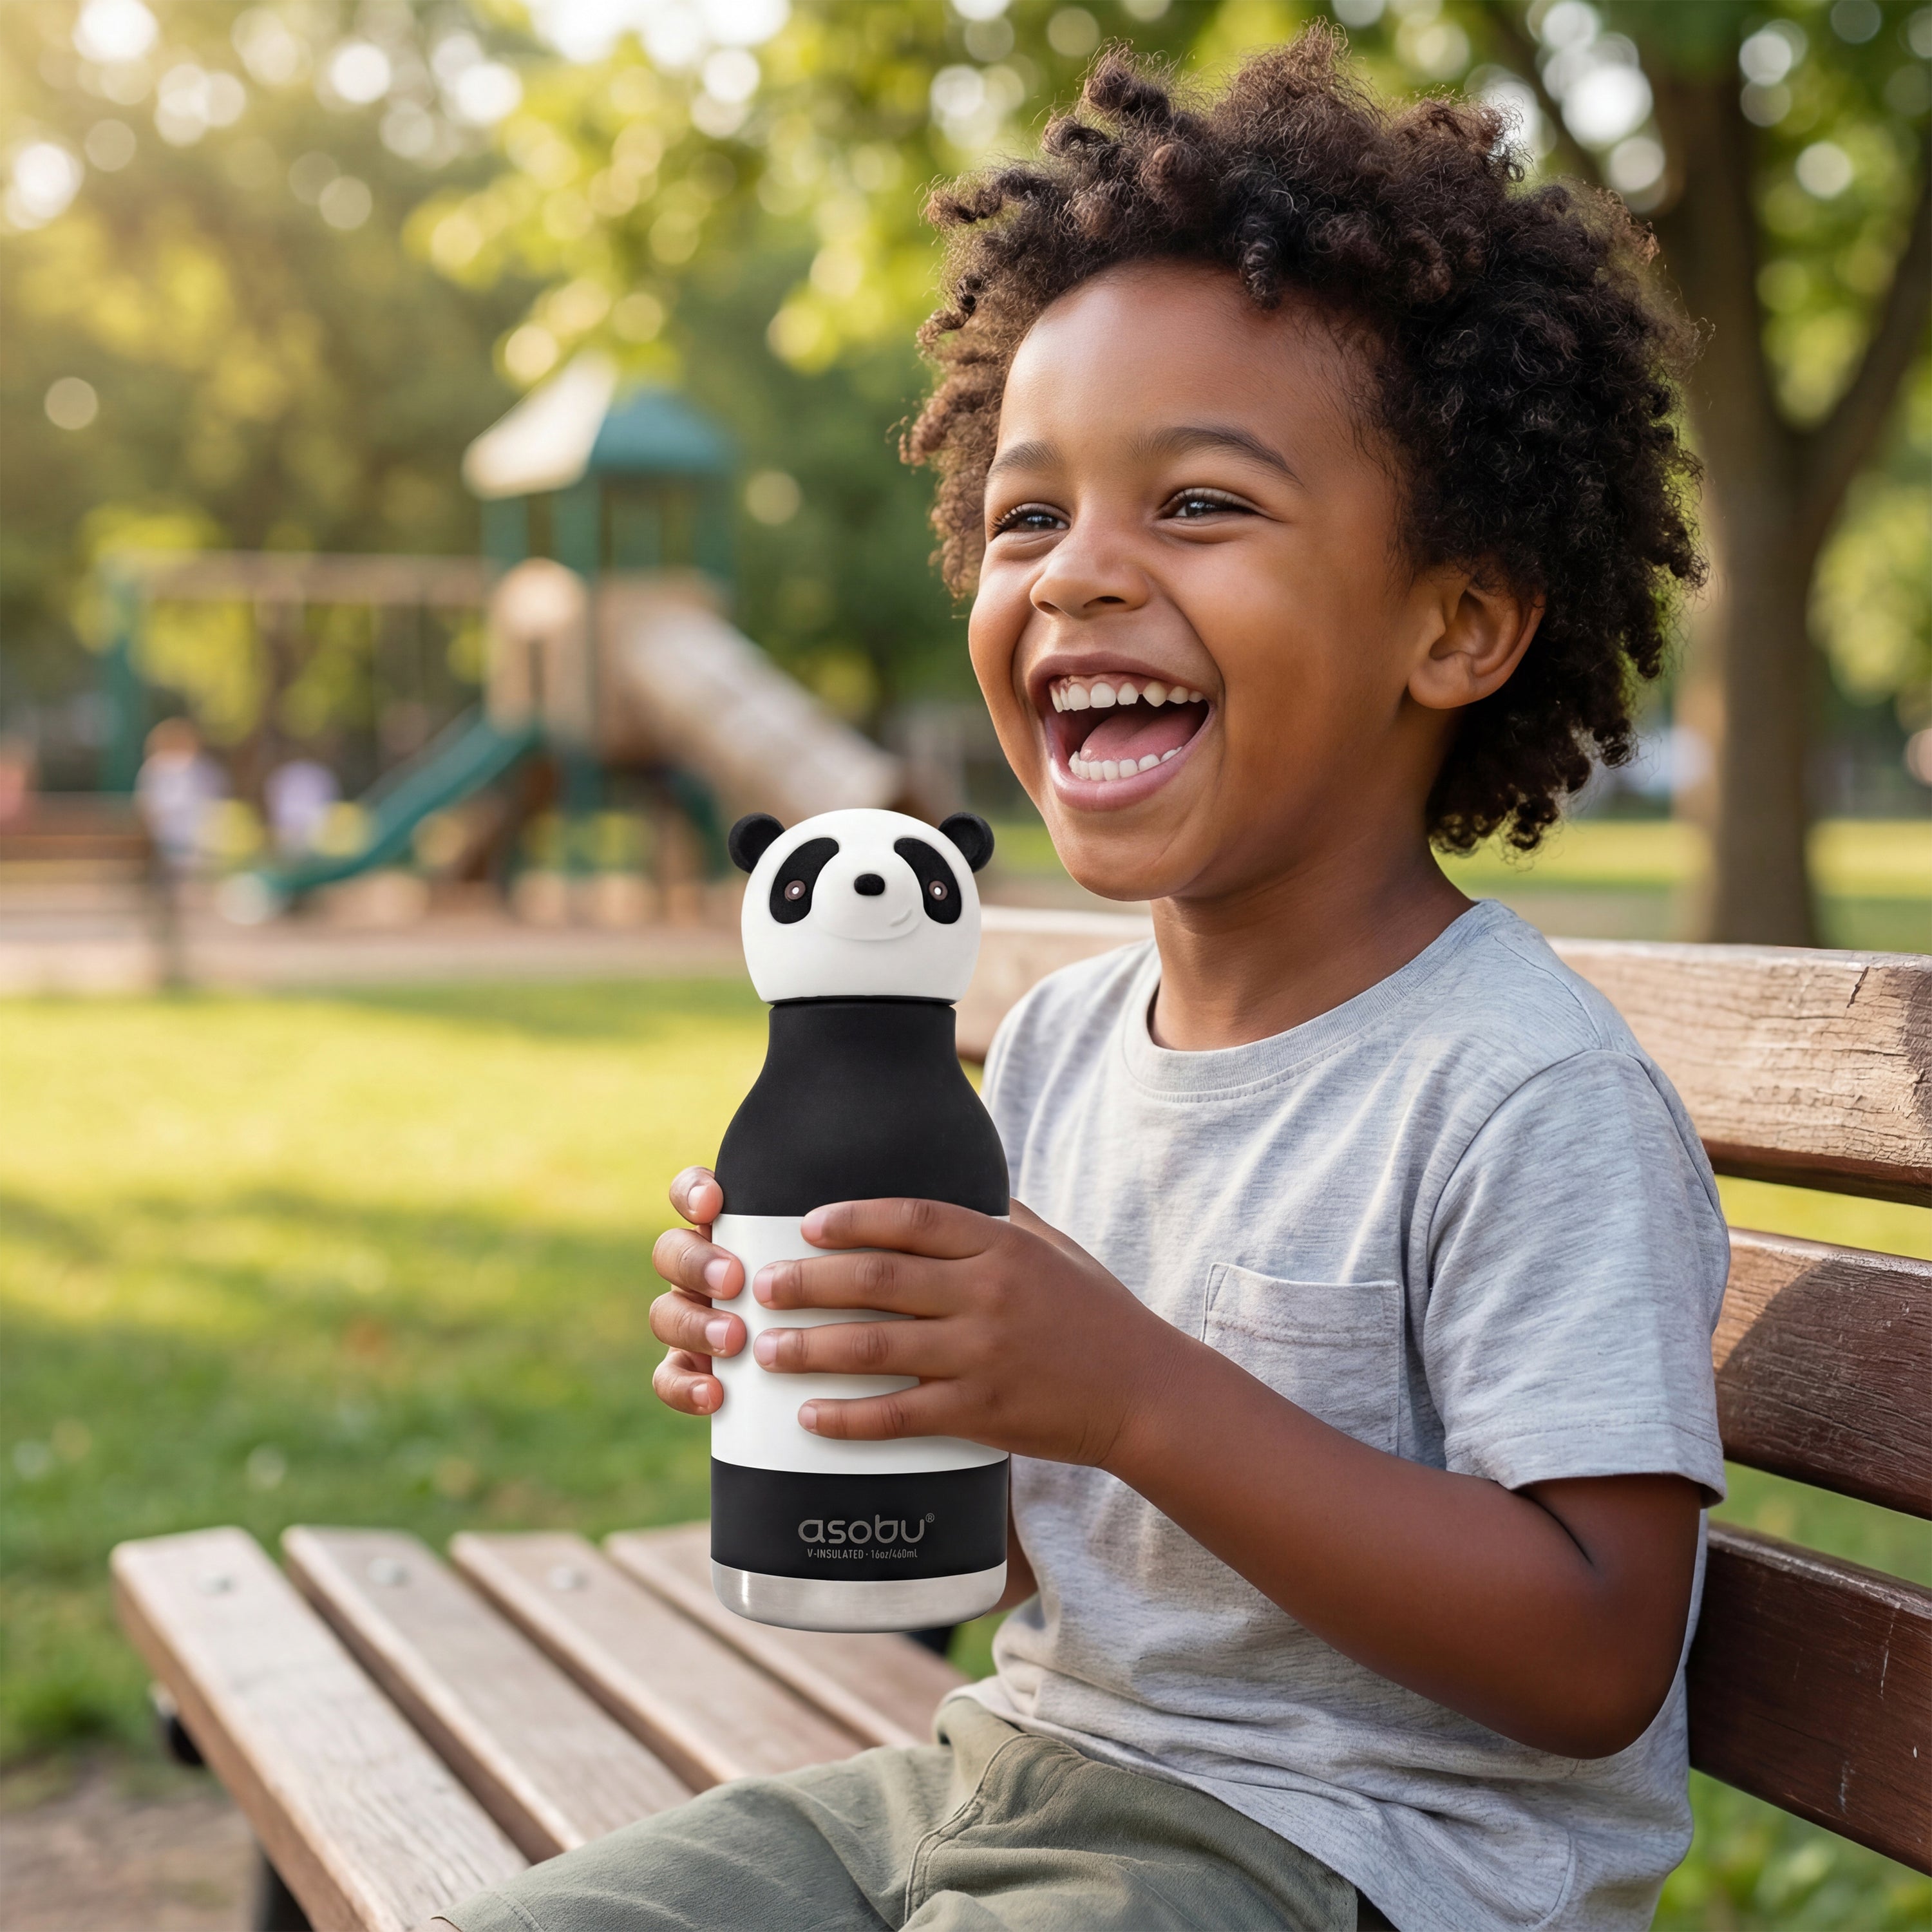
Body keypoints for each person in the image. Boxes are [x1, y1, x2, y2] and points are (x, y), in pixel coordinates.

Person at [442, 34, 1724, 1932]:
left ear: (1452, 621)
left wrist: (1127, 1391)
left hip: (1355, 1860)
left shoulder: (1515, 1091)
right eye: (1027, 514)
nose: (1073, 575)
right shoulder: (1044, 1045)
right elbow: (1026, 1584)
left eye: (1196, 504)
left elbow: (1598, 1648)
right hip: (1005, 1771)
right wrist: (863, 1391)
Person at [134, 716, 225, 871]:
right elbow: (148, 805)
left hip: (200, 839)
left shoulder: (205, 767)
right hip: (168, 838)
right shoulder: (156, 767)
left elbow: (216, 802)